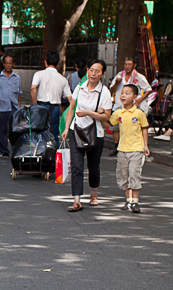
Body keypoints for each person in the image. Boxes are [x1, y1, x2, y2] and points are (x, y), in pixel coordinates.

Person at [61, 59, 112, 212]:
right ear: (87, 70)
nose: (93, 73)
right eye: (91, 70)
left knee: (93, 166)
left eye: (98, 71)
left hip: (96, 133)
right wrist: (66, 128)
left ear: (102, 74)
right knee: (77, 166)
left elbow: (106, 117)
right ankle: (76, 200)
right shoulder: (79, 87)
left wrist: (89, 113)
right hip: (76, 130)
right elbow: (71, 109)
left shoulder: (105, 92)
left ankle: (94, 194)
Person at [109, 84, 150, 213]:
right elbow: (110, 122)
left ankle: (136, 202)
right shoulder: (118, 113)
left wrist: (145, 145)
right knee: (123, 175)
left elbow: (144, 129)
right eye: (122, 93)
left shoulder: (139, 113)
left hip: (136, 149)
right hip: (122, 149)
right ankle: (128, 201)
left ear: (135, 97)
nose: (123, 95)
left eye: (127, 93)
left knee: (134, 174)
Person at [109, 58, 152, 157]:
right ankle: (116, 146)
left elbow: (148, 89)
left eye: (129, 64)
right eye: (126, 64)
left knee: (135, 126)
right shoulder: (120, 75)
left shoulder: (139, 77)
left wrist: (139, 100)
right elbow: (112, 89)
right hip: (119, 105)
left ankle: (137, 146)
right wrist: (117, 82)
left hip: (133, 107)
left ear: (134, 65)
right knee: (115, 127)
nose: (127, 66)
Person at [30, 50, 72, 140]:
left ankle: (40, 152)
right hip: (55, 108)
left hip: (40, 106)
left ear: (45, 62)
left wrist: (34, 103)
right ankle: (54, 153)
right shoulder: (62, 79)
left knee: (38, 132)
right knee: (54, 134)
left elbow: (33, 88)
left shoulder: (39, 74)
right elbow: (70, 97)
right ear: (58, 63)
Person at [0, 54, 22, 158]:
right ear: (3, 64)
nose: (8, 65)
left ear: (13, 64)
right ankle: (4, 151)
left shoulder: (17, 78)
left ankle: (15, 149)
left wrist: (19, 107)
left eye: (10, 63)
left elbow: (19, 93)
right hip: (0, 106)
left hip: (13, 107)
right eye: (6, 63)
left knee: (13, 129)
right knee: (1, 130)